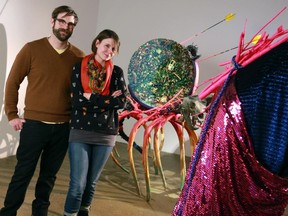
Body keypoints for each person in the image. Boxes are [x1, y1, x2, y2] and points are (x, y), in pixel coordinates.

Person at [0, 5, 85, 216]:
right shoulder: (32, 49)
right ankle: (8, 211)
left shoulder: (78, 57)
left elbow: (84, 91)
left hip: (63, 128)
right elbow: (12, 82)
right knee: (23, 173)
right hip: (34, 125)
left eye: (71, 24)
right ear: (53, 21)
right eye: (62, 21)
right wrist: (11, 113)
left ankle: (40, 213)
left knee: (48, 177)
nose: (66, 26)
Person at [63, 29, 127, 216]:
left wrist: (91, 97)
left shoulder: (116, 72)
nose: (110, 51)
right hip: (80, 130)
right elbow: (76, 102)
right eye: (107, 45)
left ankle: (84, 212)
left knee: (91, 182)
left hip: (106, 133)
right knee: (78, 184)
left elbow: (122, 102)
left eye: (114, 49)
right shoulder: (79, 67)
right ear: (97, 43)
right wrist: (107, 100)